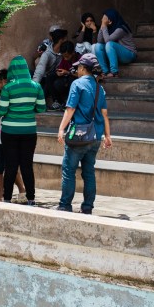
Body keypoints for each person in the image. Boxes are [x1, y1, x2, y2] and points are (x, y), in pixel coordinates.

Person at [56, 53, 112, 214]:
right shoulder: (99, 88)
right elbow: (105, 113)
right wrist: (107, 136)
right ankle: (87, 206)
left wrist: (61, 129)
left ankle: (65, 205)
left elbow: (70, 109)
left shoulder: (77, 84)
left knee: (69, 170)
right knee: (89, 172)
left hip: (79, 136)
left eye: (78, 67)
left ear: (82, 68)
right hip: (95, 136)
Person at [0, 55, 46, 205]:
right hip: (29, 132)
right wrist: (28, 109)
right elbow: (41, 108)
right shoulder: (36, 86)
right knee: (27, 166)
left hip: (9, 132)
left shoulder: (8, 88)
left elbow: (2, 110)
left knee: (11, 165)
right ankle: (31, 198)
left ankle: (7, 198)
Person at [0, 69, 26, 202]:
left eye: (6, 80)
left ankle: (22, 191)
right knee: (0, 167)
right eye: (0, 81)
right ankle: (1, 195)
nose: (3, 84)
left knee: (13, 166)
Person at [94, 9, 137, 78]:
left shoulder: (120, 29)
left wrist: (104, 26)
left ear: (110, 20)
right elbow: (99, 40)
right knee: (98, 46)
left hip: (129, 54)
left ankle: (114, 72)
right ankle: (105, 72)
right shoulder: (109, 27)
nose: (103, 20)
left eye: (105, 19)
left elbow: (108, 41)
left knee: (109, 44)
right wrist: (102, 26)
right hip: (118, 53)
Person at [45, 41, 79, 110]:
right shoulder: (64, 59)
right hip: (64, 81)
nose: (65, 58)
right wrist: (58, 72)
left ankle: (70, 103)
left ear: (73, 53)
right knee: (50, 77)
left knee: (71, 79)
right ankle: (57, 101)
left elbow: (81, 75)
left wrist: (68, 73)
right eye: (64, 56)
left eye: (67, 56)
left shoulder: (80, 59)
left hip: (73, 82)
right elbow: (60, 68)